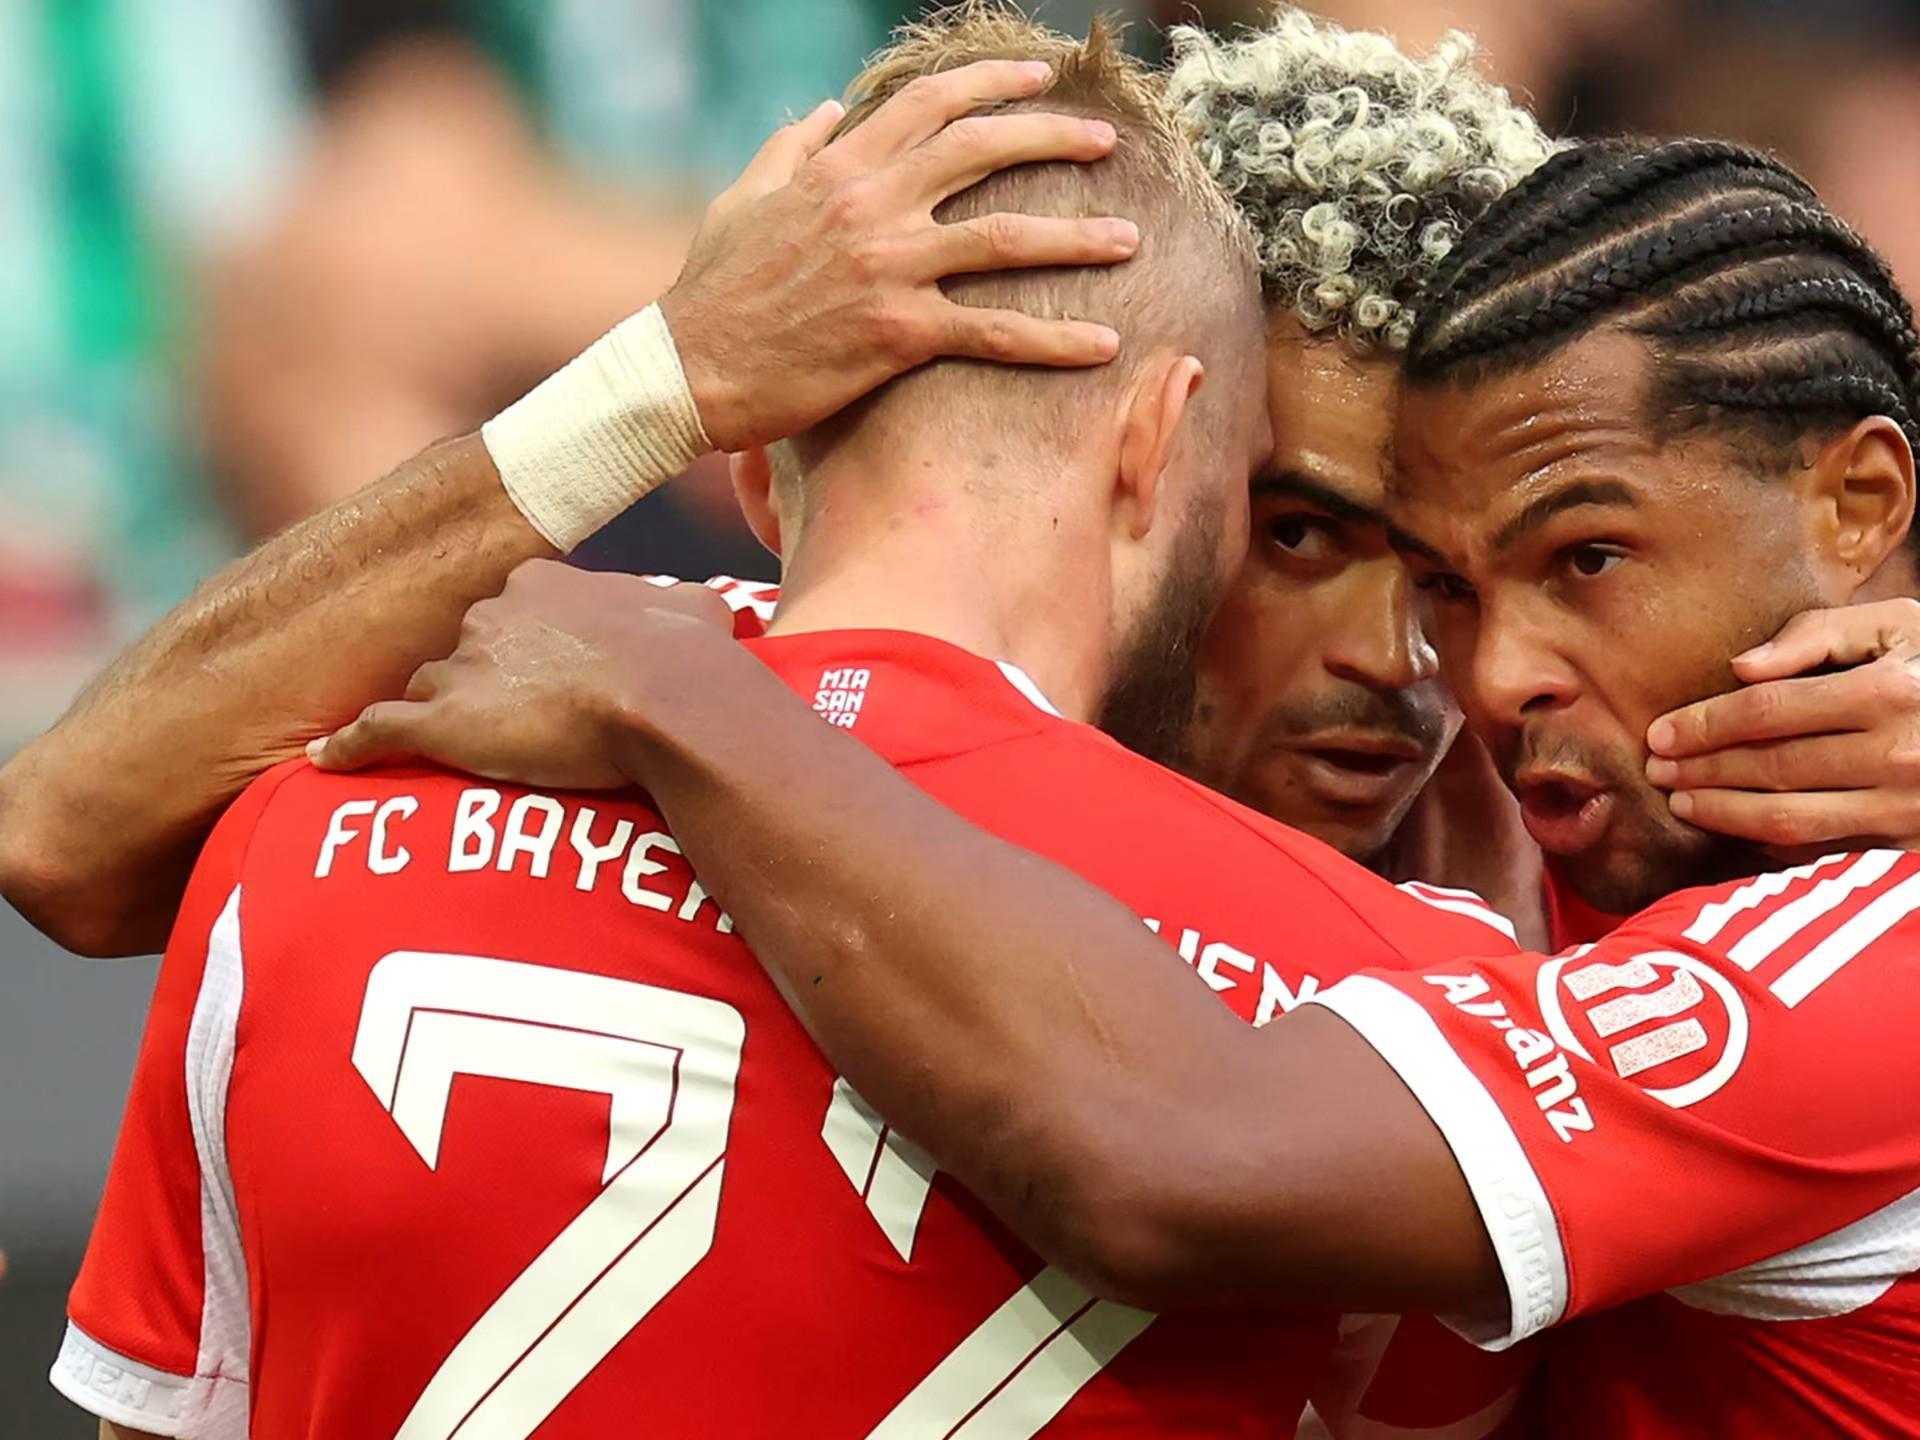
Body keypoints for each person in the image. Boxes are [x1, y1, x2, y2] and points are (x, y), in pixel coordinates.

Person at [49, 13, 1540, 1437]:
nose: (1400, 661)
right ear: (1168, 451)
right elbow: (62, 827)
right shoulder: (1425, 1008)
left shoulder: (376, 787)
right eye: (1290, 531)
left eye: (1460, 579)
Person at [322, 137, 1920, 1437]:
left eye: (1590, 558)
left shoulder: (1842, 949)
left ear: (1862, 505)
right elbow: (135, 773)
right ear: (1162, 467)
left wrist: (686, 705)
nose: (1464, 676)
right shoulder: (1573, 836)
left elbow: (1181, 1159)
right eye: (1304, 535)